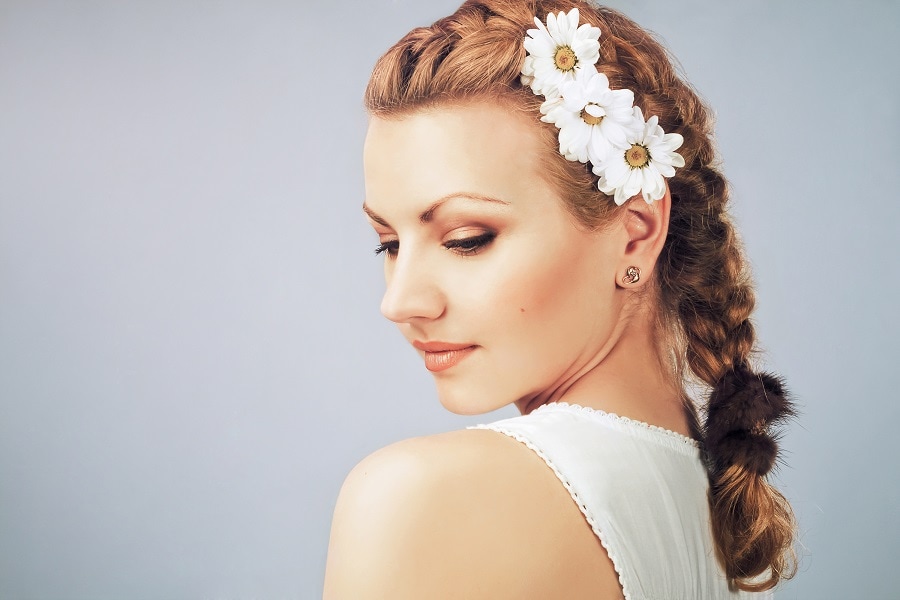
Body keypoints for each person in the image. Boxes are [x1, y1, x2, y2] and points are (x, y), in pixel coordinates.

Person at [323, 1, 797, 598]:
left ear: (637, 231)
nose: (400, 302)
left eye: (468, 239)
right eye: (387, 244)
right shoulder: (708, 504)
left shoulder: (418, 497)